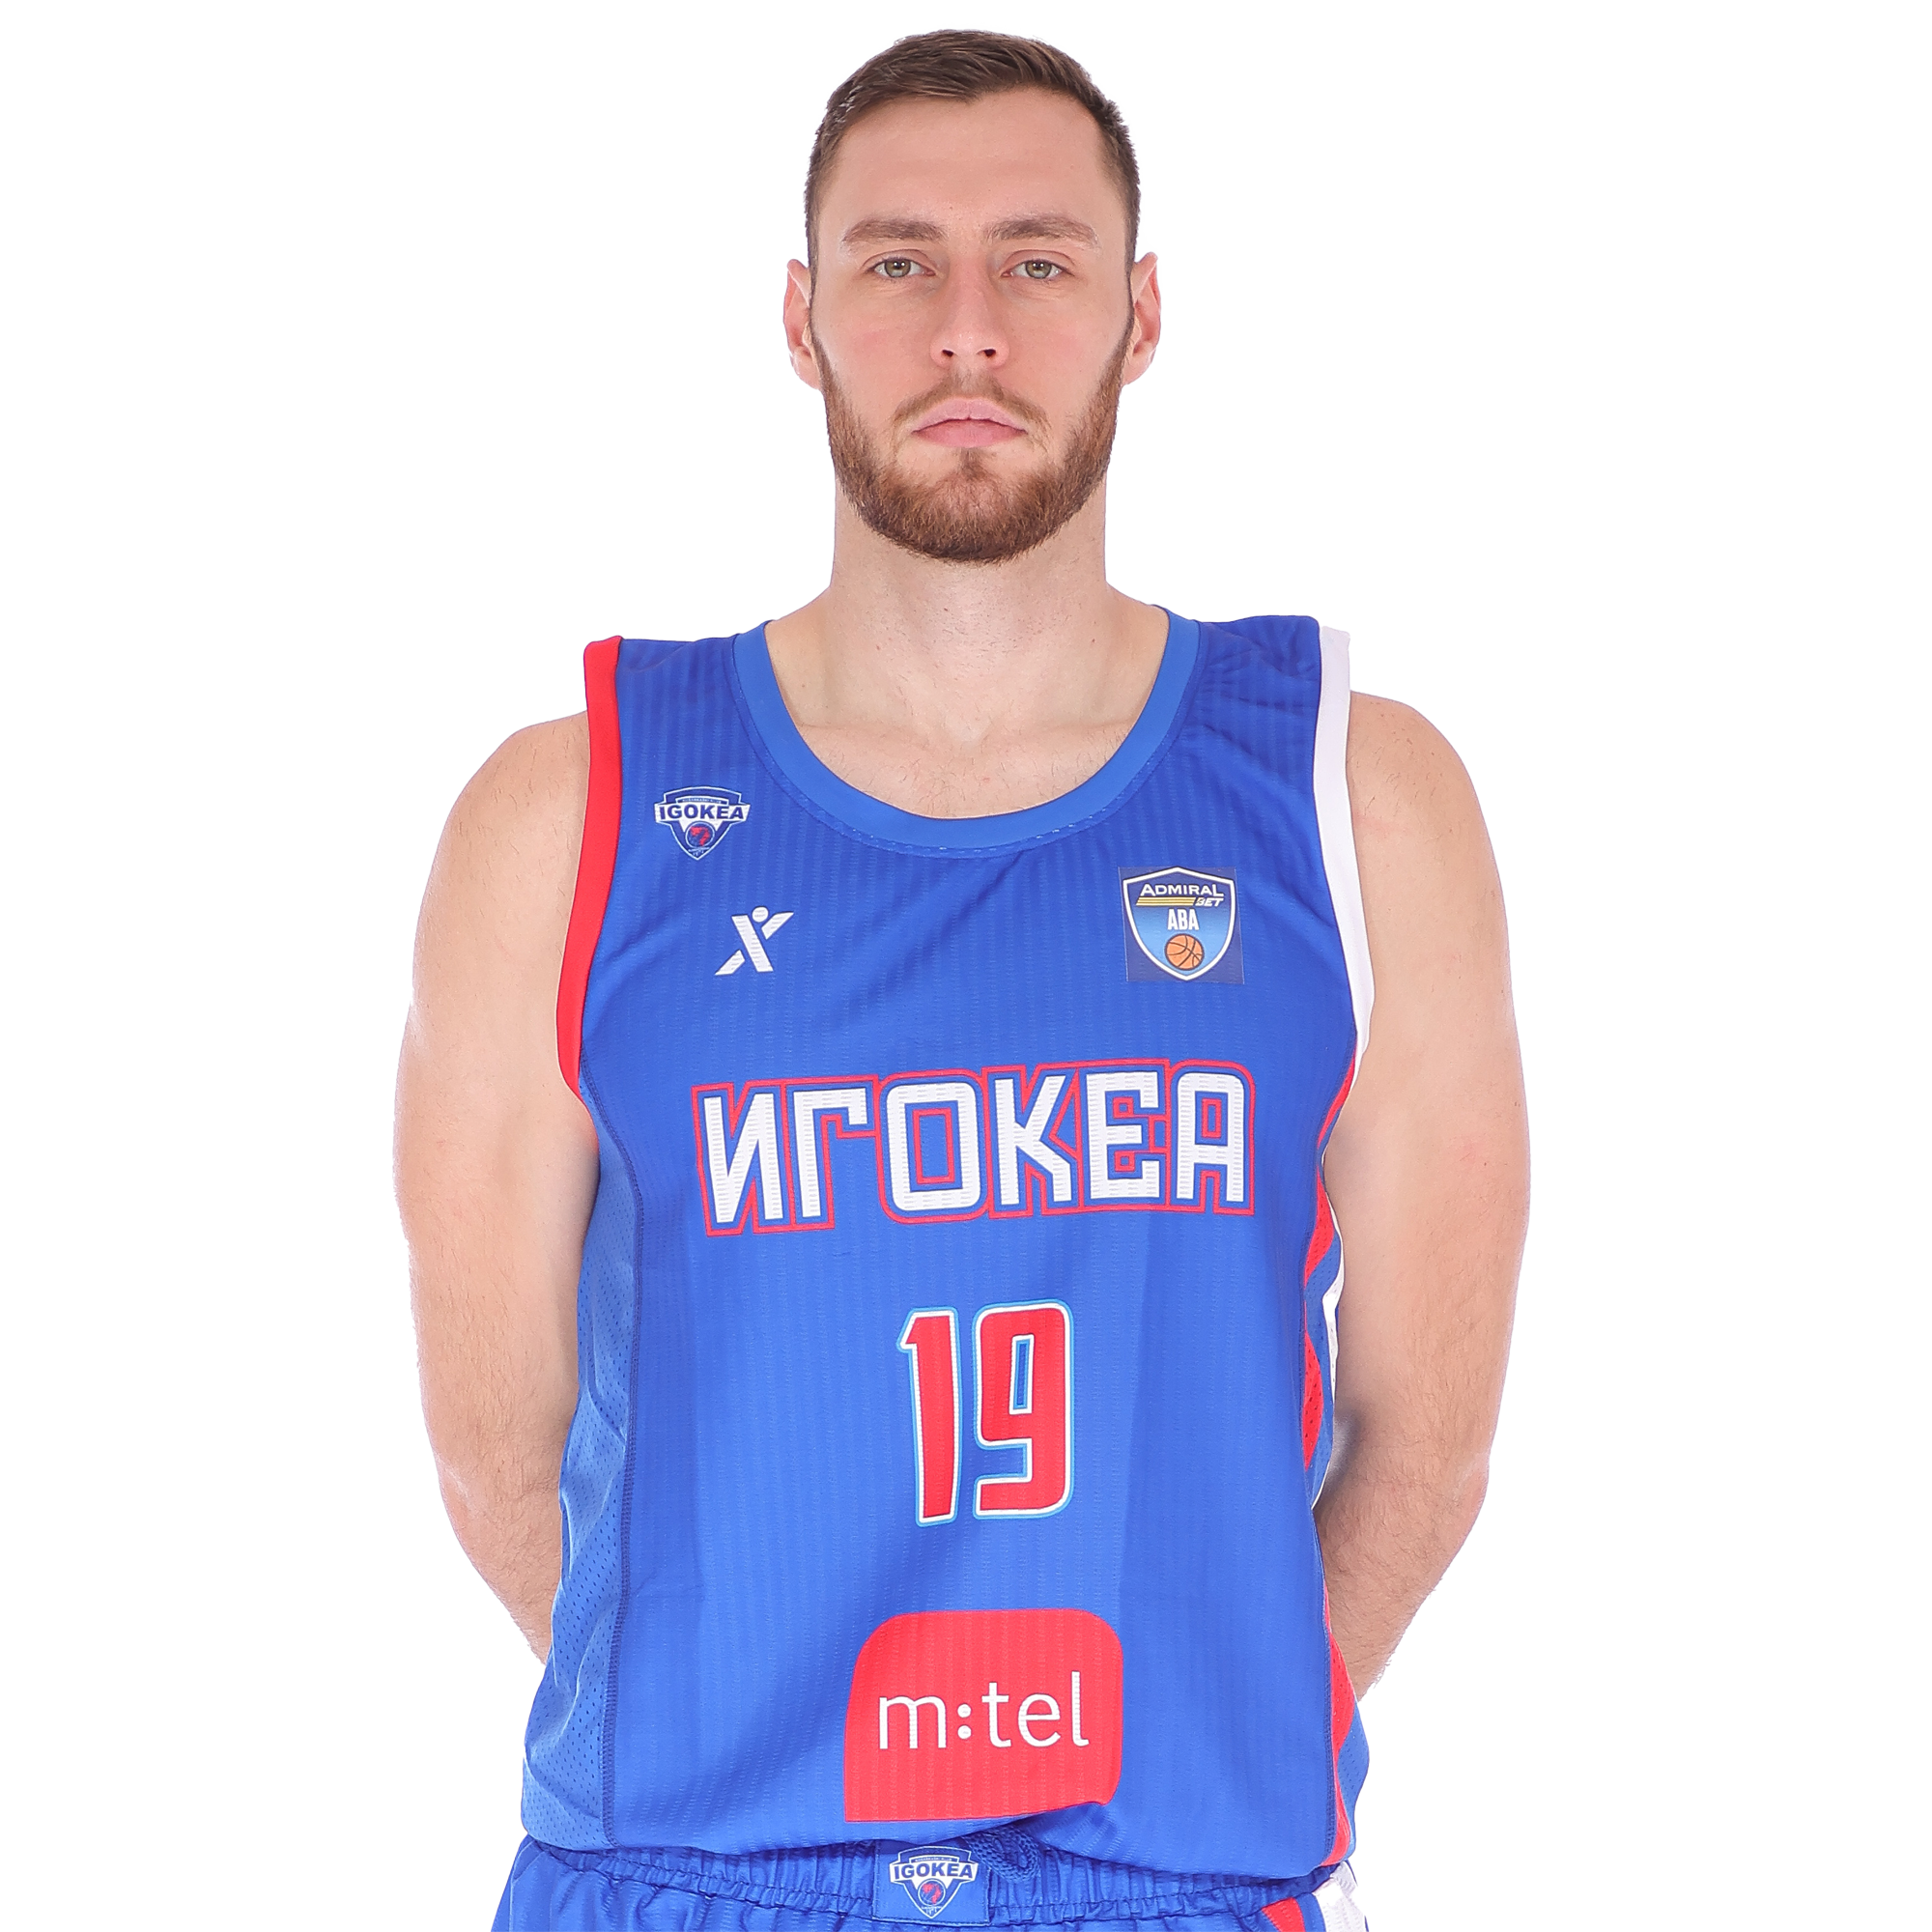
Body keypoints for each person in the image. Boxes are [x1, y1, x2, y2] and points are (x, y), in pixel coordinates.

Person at [396, 28, 1527, 1932]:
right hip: (693, 1876)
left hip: (1160, 1879)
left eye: (1039, 260)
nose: (969, 329)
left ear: (1140, 315)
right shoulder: (569, 814)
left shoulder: (1352, 797)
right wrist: (750, 1779)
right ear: (802, 317)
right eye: (899, 260)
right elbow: (495, 1445)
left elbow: (1429, 1437)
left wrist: (1191, 1760)